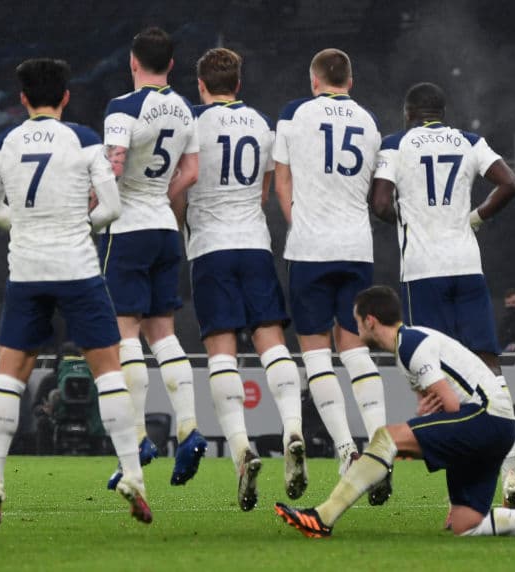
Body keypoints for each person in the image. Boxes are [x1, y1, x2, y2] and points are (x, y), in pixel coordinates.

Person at [274, 285, 515, 539]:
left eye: (357, 321)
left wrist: (420, 427)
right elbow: (445, 403)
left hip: (486, 419)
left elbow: (451, 407)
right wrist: (428, 417)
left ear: (371, 320)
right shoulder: (410, 343)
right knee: (467, 525)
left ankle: (322, 517)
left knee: (385, 438)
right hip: (495, 424)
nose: (355, 328)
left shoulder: (410, 345)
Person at [0, 57, 150, 529]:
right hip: (77, 268)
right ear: (66, 96)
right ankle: (132, 475)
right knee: (109, 374)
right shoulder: (85, 139)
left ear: (23, 99)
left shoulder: (4, 142)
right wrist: (76, 223)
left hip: (27, 270)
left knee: (9, 378)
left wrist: (27, 224)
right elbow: (111, 207)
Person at [369, 82, 515, 507]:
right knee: (488, 368)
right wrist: (475, 217)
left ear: (409, 112)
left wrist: (405, 217)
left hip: (424, 273)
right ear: (441, 110)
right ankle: (510, 472)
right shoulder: (470, 141)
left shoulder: (397, 144)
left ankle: (459, 481)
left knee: (437, 375)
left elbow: (380, 203)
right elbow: (509, 183)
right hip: (467, 268)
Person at [185, 47, 306, 511]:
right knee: (272, 340)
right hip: (254, 244)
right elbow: (261, 193)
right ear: (238, 82)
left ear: (201, 85)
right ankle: (293, 427)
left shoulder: (192, 123)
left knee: (221, 352)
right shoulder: (260, 124)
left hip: (211, 248)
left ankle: (241, 451)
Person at [273, 48, 387, 474]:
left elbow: (282, 183)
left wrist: (298, 223)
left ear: (314, 80)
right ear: (351, 82)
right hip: (357, 247)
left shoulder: (294, 114)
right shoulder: (370, 121)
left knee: (315, 352)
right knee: (355, 347)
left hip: (310, 248)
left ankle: (345, 451)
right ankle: (379, 448)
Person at [100, 26, 205, 488]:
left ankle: (138, 438)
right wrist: (162, 193)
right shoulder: (184, 108)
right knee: (164, 335)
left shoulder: (123, 108)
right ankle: (188, 427)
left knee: (125, 335)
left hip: (129, 229)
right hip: (165, 228)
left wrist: (93, 203)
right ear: (172, 65)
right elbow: (193, 171)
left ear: (133, 62)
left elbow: (115, 164)